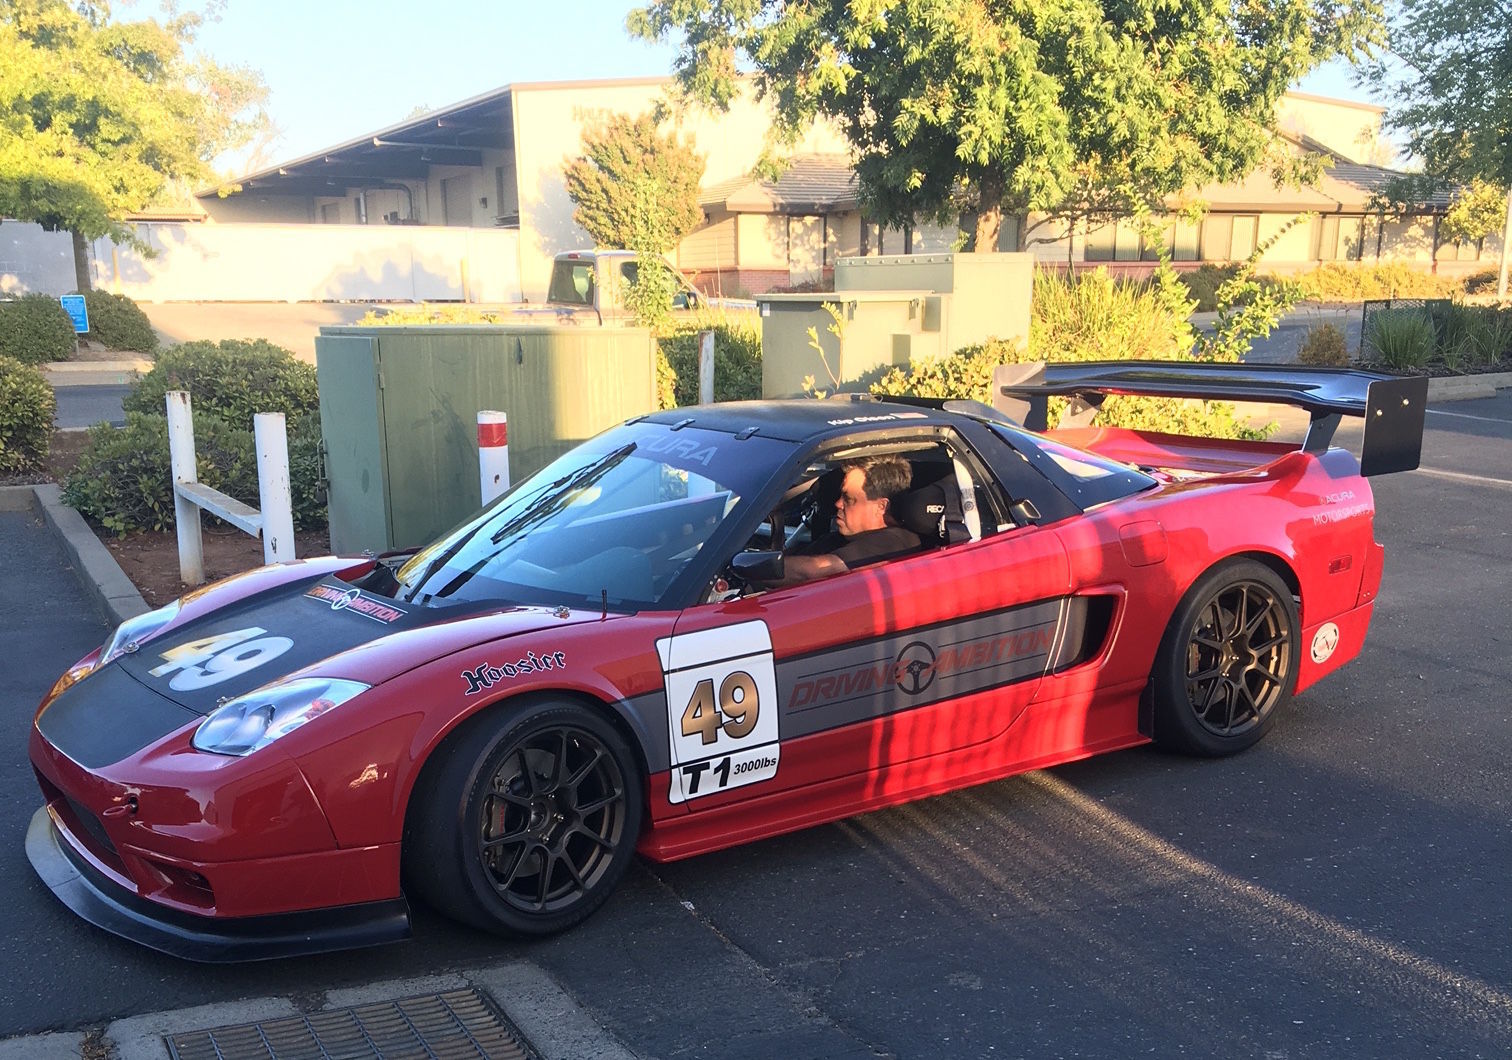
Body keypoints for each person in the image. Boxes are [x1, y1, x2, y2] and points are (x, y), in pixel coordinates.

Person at [776, 456, 921, 585]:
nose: (838, 504)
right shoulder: (839, 539)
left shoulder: (895, 543)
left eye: (849, 499)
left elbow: (813, 570)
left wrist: (757, 569)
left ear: (881, 506)